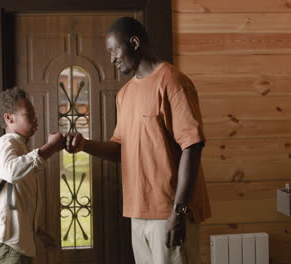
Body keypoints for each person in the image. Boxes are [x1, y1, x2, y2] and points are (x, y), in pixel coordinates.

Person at [65, 17, 211, 264]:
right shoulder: (124, 95)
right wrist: (85, 145)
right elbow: (121, 149)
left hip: (170, 212)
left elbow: (192, 146)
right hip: (138, 212)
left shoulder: (172, 82)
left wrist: (179, 211)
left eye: (114, 50)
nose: (111, 58)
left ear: (134, 42)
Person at [0, 87, 64, 264]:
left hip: (13, 239)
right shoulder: (6, 143)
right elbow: (11, 172)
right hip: (6, 240)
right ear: (9, 118)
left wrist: (37, 231)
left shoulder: (19, 146)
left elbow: (18, 198)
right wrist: (49, 148)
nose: (35, 118)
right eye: (29, 114)